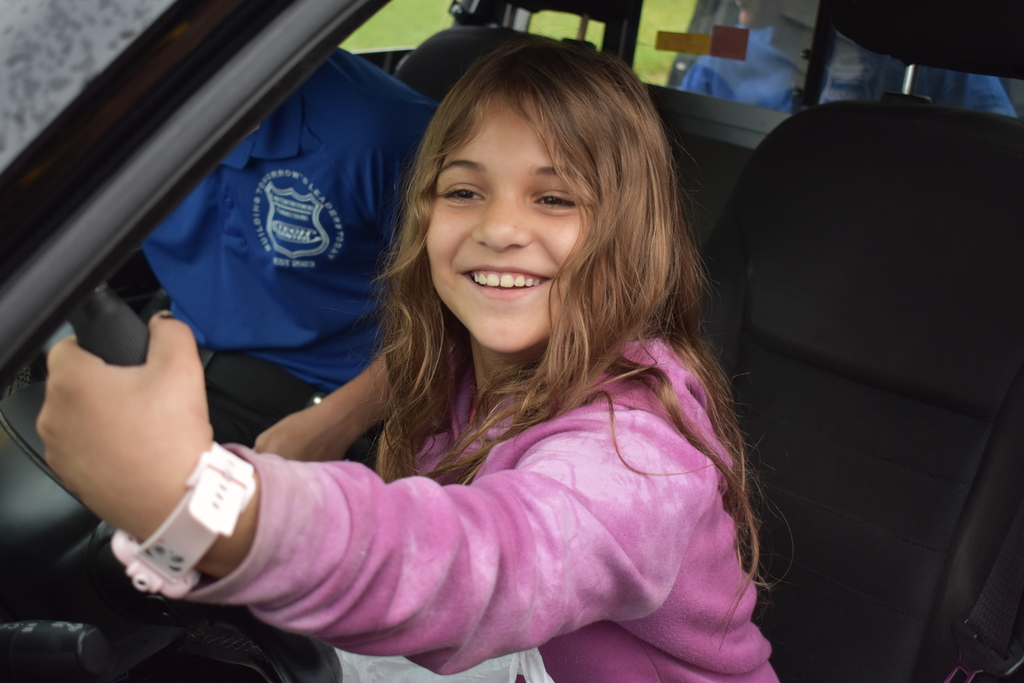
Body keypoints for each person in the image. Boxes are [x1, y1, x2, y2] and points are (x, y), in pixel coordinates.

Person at [40, 37, 777, 681]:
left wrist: (197, 499)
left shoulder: (638, 453)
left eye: (554, 199)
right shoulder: (454, 369)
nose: (500, 227)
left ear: (632, 235)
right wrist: (174, 544)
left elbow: (485, 567)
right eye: (463, 190)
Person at [142, 48, 436, 461]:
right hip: (178, 355)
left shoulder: (381, 135)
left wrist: (339, 420)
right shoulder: (126, 119)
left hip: (327, 402)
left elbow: (460, 316)